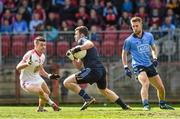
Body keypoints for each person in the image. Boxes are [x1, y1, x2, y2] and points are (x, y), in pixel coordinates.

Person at [64, 26, 131, 111]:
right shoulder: (82, 48)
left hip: (92, 70)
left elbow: (90, 44)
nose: (74, 36)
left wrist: (75, 49)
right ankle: (124, 106)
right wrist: (72, 58)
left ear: (81, 35)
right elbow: (78, 66)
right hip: (101, 70)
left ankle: (87, 98)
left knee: (66, 82)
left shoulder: (82, 40)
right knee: (104, 90)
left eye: (76, 34)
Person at [122, 17, 175, 111]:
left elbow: (154, 48)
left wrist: (155, 58)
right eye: (133, 26)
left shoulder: (149, 36)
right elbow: (124, 54)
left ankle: (162, 104)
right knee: (145, 83)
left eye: (136, 26)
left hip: (149, 64)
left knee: (161, 87)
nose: (134, 28)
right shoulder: (129, 40)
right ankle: (146, 105)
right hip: (138, 66)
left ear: (141, 25)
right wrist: (126, 67)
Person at [16, 36, 61, 112]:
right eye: (41, 45)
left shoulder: (43, 56)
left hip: (36, 77)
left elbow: (40, 70)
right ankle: (53, 105)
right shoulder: (30, 54)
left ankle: (40, 109)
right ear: (36, 45)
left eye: (44, 45)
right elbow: (18, 67)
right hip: (26, 81)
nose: (44, 47)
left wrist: (49, 76)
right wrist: (27, 64)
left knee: (47, 92)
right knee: (40, 90)